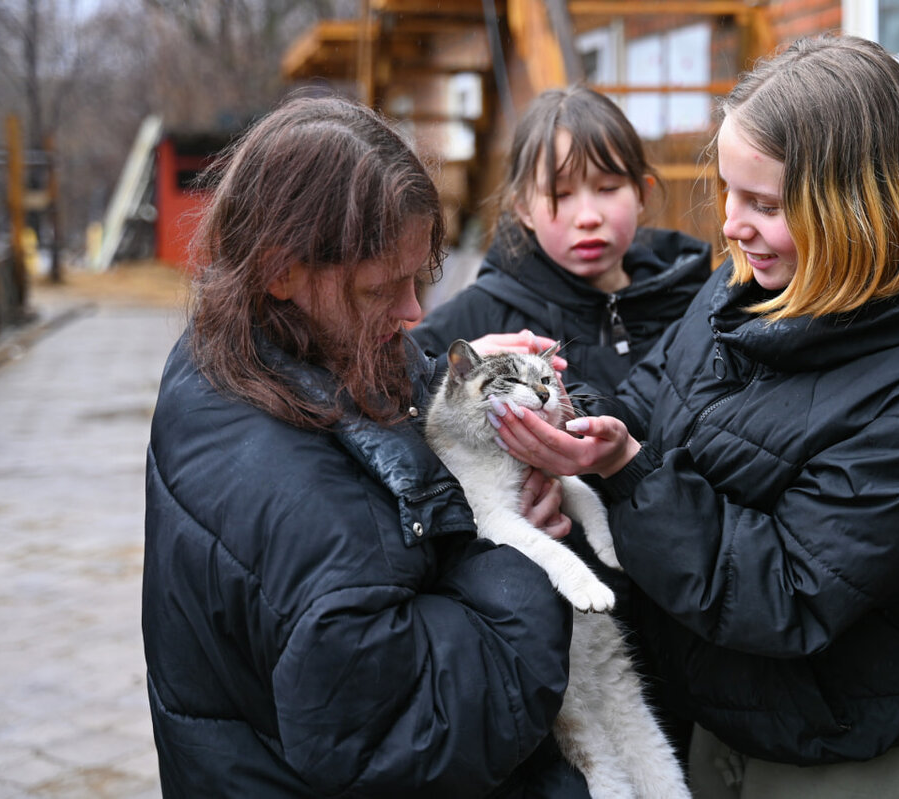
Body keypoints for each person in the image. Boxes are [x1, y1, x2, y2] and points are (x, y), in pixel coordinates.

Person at [489, 34, 899, 799]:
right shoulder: (749, 284)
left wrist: (627, 470)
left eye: (766, 204)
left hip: (858, 745)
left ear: (854, 205)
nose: (732, 227)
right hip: (734, 713)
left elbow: (788, 590)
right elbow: (648, 398)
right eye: (729, 194)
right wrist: (568, 430)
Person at [142, 94, 591, 797]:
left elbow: (354, 419)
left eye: (421, 279)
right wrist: (520, 555)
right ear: (281, 269)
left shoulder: (228, 354)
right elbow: (419, 731)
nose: (414, 311)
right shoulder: (300, 505)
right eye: (383, 288)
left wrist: (454, 377)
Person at [410, 85, 713, 395]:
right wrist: (454, 376)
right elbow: (391, 385)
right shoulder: (483, 315)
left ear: (642, 194)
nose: (587, 217)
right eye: (561, 194)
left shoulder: (694, 302)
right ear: (524, 209)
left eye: (607, 188)